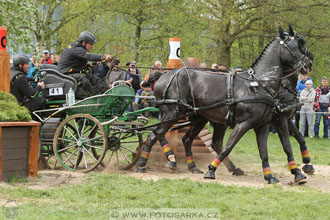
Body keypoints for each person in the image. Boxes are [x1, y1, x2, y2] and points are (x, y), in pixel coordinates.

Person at [58, 31, 112, 96]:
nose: (92, 46)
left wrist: (86, 66)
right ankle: (97, 96)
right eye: (91, 44)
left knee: (94, 78)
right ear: (84, 42)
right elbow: (88, 56)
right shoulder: (76, 48)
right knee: (83, 78)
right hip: (65, 75)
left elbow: (76, 61)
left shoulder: (80, 48)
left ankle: (109, 93)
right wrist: (103, 57)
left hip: (73, 73)